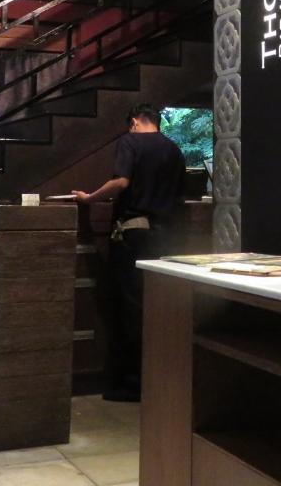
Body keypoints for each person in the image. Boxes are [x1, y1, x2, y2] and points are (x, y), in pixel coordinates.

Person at [72, 102, 185, 402]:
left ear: (134, 121)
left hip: (134, 236)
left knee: (131, 309)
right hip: (166, 238)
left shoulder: (130, 142)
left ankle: (133, 384)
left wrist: (89, 198)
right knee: (158, 308)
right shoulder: (174, 149)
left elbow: (121, 182)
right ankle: (160, 379)